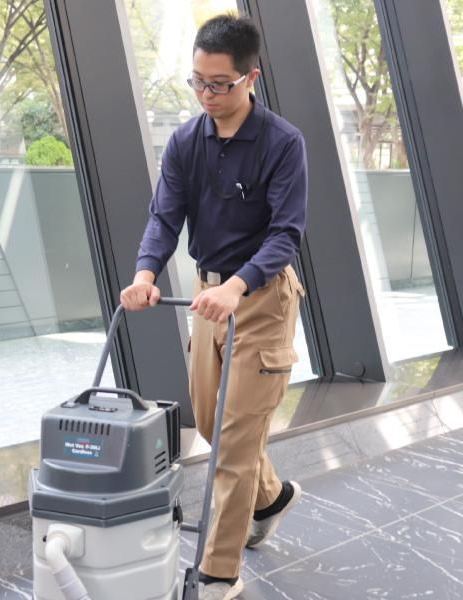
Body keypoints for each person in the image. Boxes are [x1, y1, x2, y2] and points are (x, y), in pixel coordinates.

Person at [120, 14, 307, 600]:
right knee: (208, 423)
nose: (207, 94)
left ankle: (219, 573)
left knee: (232, 443)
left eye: (220, 84)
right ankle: (271, 497)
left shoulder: (283, 143)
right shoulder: (184, 142)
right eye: (198, 81)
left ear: (250, 78)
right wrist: (145, 273)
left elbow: (286, 233)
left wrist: (238, 287)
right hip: (207, 299)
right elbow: (164, 217)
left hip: (262, 300)